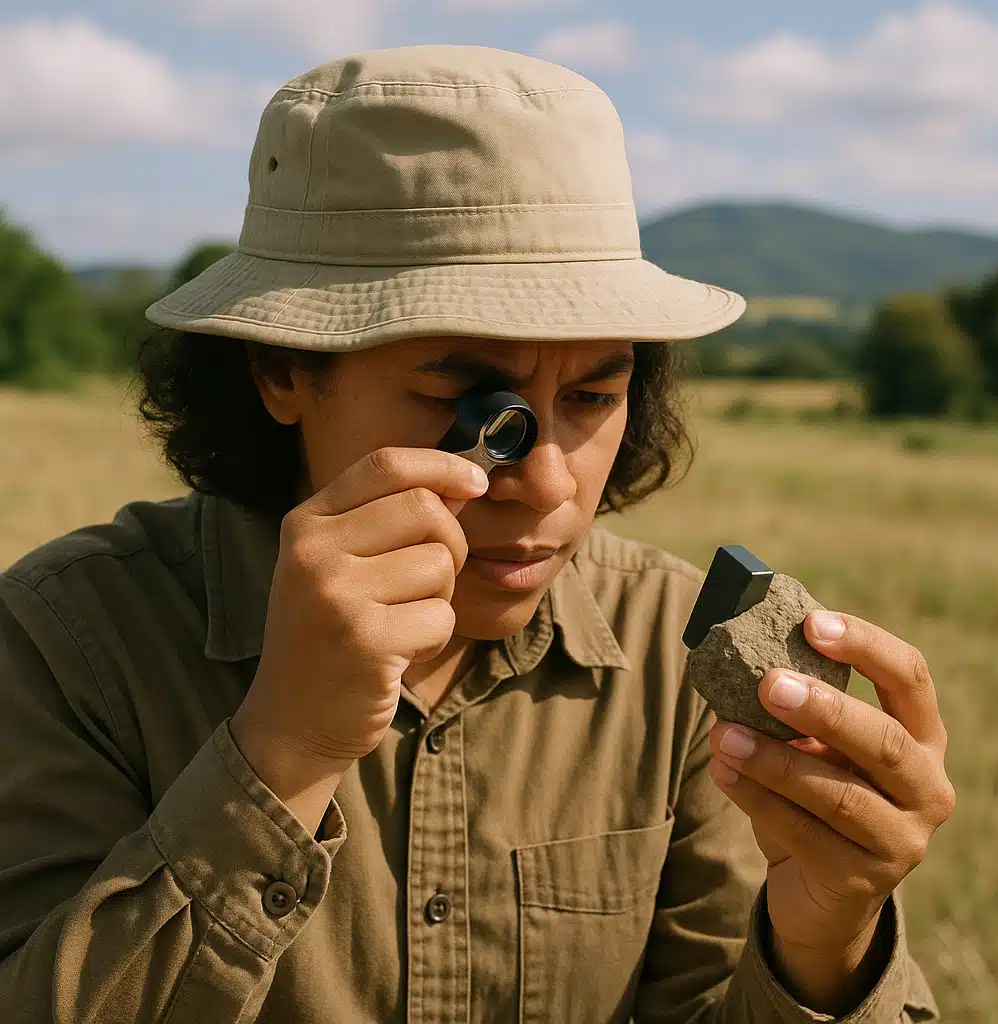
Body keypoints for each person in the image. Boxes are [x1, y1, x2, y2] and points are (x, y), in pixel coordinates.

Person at [0, 45, 950, 1023]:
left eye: (592, 394)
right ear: (282, 370)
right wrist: (280, 754)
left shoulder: (678, 664)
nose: (545, 479)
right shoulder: (71, 642)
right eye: (468, 399)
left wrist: (824, 939)